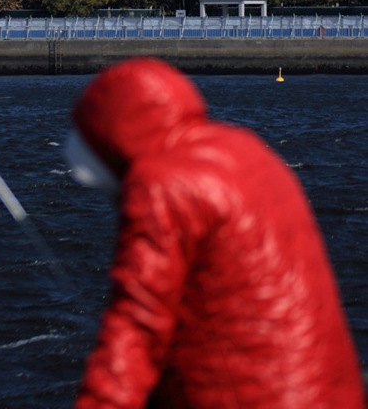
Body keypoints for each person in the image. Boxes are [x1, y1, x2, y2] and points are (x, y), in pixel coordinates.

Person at [65, 57, 364, 408]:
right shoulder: (244, 148)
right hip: (322, 386)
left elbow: (138, 322)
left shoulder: (165, 184)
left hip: (248, 395)